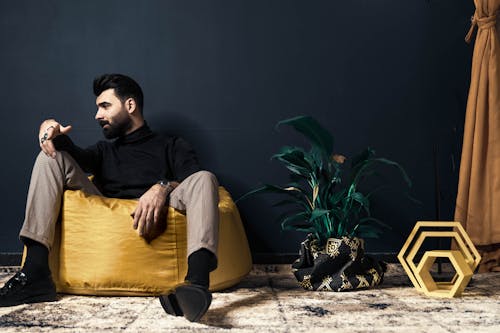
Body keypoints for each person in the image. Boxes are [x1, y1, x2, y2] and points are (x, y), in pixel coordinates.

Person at [0, 73, 219, 322]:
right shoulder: (103, 152)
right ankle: (35, 272)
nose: (97, 115)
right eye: (97, 108)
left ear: (130, 105)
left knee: (205, 178)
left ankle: (197, 283)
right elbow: (69, 153)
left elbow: (194, 179)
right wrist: (50, 129)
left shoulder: (171, 145)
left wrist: (161, 187)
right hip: (107, 217)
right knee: (50, 157)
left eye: (105, 106)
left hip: (162, 211)